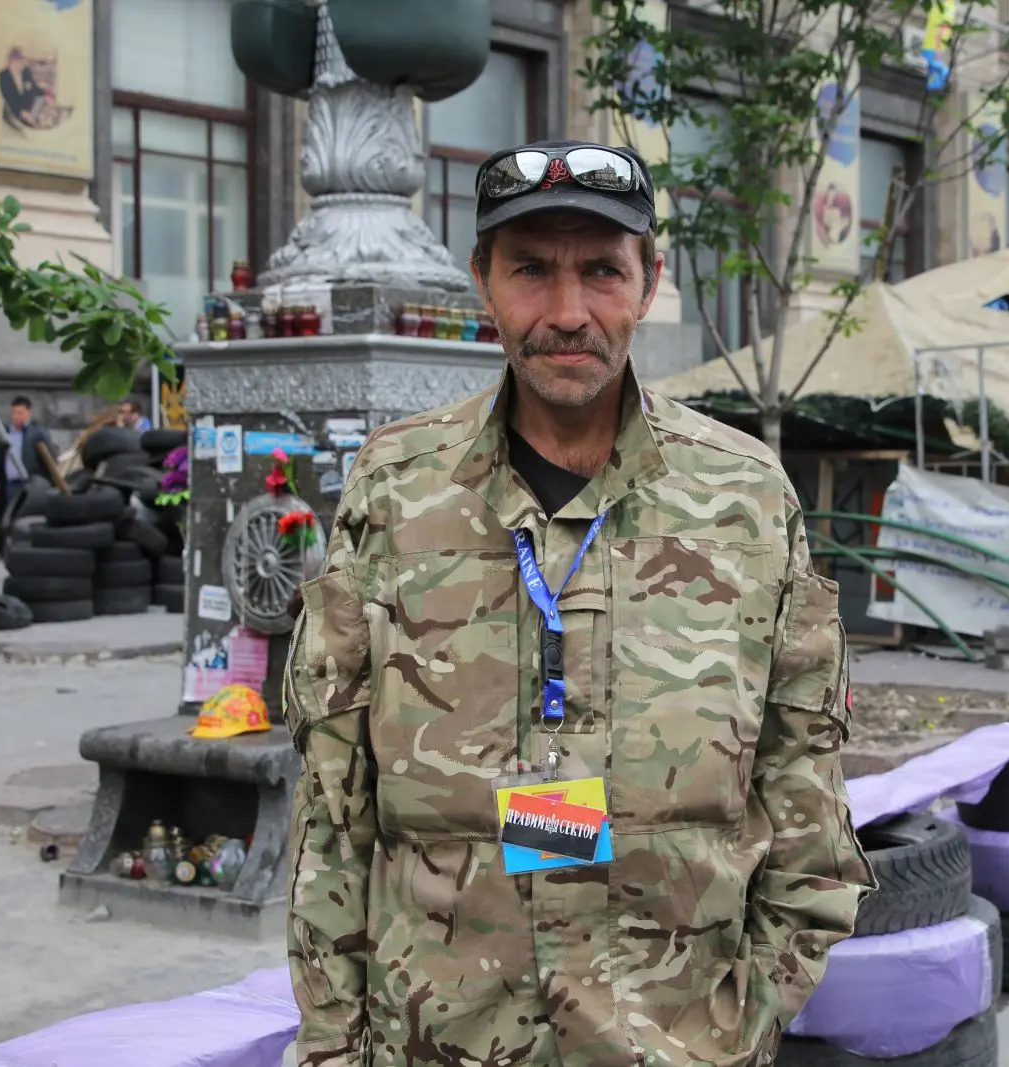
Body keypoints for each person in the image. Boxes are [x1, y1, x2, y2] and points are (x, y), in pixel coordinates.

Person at [284, 140, 873, 1067]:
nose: (567, 312)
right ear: (483, 282)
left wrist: (745, 1020)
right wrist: (331, 1047)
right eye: (531, 270)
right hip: (438, 1043)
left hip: (676, 1045)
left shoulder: (745, 498)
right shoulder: (395, 490)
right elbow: (334, 804)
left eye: (602, 270)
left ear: (649, 283)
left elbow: (803, 789)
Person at [0, 395, 51, 549]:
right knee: (9, 516)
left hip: (30, 483)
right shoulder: (6, 433)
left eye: (20, 413)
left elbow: (48, 461)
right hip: (10, 483)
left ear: (28, 412)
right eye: (14, 413)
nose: (17, 417)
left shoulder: (37, 433)